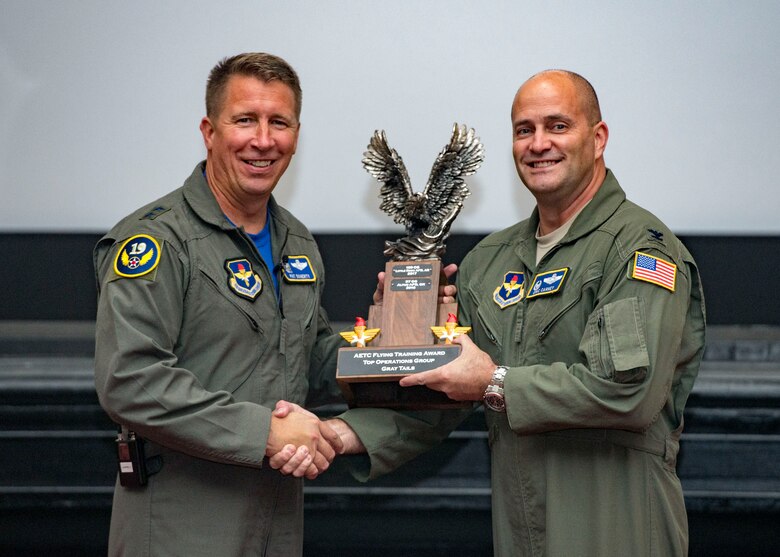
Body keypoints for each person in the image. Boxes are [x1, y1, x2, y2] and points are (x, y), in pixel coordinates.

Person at [291, 70, 706, 556]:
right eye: (524, 130)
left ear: (598, 139)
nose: (538, 144)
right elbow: (439, 397)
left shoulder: (639, 250)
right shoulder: (490, 262)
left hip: (617, 523)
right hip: (520, 526)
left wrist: (494, 381)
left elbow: (628, 394)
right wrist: (337, 433)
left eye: (557, 126)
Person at [94, 52, 393, 556]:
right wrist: (266, 433)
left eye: (279, 122)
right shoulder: (157, 240)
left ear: (296, 135)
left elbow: (309, 357)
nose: (263, 139)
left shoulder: (296, 241)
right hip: (179, 520)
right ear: (210, 131)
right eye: (245, 120)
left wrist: (387, 340)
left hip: (276, 513)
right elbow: (131, 380)